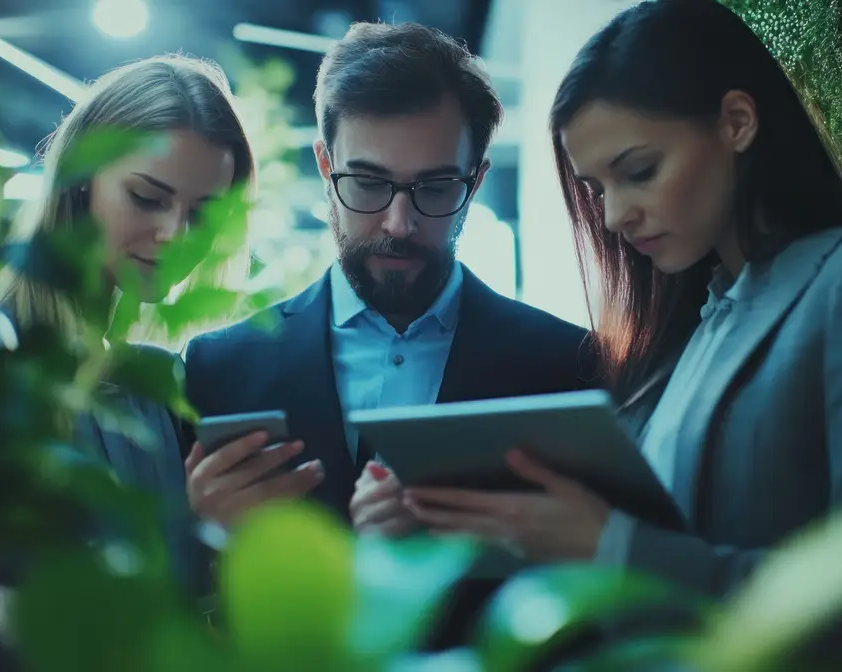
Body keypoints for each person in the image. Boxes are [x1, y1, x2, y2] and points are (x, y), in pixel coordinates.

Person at [401, 0, 842, 667]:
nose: (613, 215)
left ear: (737, 122)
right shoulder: (681, 345)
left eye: (638, 171)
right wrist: (456, 517)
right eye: (595, 188)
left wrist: (612, 546)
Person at [181, 21, 597, 645]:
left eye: (435, 188)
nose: (399, 224)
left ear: (476, 181)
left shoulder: (566, 364)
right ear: (325, 166)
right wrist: (201, 534)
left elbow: (586, 594)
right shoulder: (219, 367)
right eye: (369, 183)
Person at [0, 54, 255, 597]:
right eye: (147, 198)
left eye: (203, 214)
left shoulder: (156, 386)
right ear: (81, 182)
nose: (175, 235)